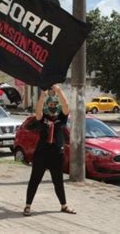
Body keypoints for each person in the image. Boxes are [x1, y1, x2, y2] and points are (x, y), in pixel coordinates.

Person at [23, 85, 76, 216]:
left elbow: (66, 106)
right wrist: (43, 95)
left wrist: (58, 90)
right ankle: (28, 206)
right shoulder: (43, 118)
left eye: (55, 104)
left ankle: (64, 205)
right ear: (48, 105)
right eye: (50, 104)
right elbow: (38, 110)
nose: (53, 105)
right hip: (41, 153)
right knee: (34, 180)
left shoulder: (61, 118)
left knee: (58, 181)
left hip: (56, 154)